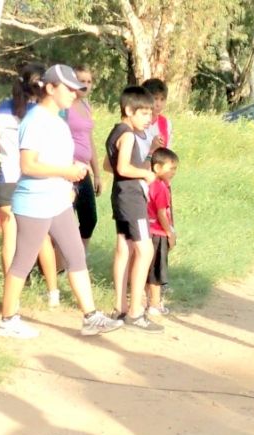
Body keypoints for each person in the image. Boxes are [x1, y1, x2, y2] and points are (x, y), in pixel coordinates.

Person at [0, 64, 123, 338]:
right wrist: (66, 172)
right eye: (69, 88)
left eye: (76, 88)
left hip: (57, 200)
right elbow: (28, 165)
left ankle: (90, 316)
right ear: (50, 88)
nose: (74, 94)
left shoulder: (58, 119)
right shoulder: (35, 120)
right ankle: (7, 320)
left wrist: (70, 177)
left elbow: (56, 159)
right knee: (23, 262)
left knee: (76, 255)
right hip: (34, 202)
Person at [0, 63, 61, 308]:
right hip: (32, 182)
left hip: (6, 181)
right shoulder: (40, 113)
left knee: (9, 240)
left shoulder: (1, 109)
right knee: (40, 239)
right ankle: (53, 293)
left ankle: (12, 299)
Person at [105, 86, 163, 333]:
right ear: (129, 110)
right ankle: (136, 311)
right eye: (144, 113)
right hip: (132, 198)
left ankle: (120, 306)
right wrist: (146, 174)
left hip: (120, 196)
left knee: (123, 250)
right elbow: (123, 168)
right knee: (145, 249)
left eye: (150, 113)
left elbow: (109, 164)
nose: (148, 118)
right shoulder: (128, 134)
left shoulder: (116, 132)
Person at [65, 65, 102, 249]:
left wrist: (97, 174)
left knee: (89, 219)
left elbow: (89, 140)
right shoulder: (64, 106)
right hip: (67, 169)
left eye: (89, 81)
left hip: (84, 169)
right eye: (81, 81)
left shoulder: (86, 105)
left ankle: (78, 258)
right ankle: (56, 264)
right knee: (65, 220)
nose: (86, 85)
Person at [145, 148, 179, 316]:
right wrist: (169, 232)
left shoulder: (149, 184)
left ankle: (145, 300)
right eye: (170, 168)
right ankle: (155, 304)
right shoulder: (161, 188)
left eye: (175, 169)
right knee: (157, 271)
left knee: (147, 268)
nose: (173, 172)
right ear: (157, 168)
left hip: (147, 232)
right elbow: (162, 213)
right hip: (158, 233)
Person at [137, 78, 172, 161]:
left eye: (162, 99)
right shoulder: (135, 123)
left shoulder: (166, 124)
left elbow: (168, 152)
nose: (158, 104)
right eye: (155, 98)